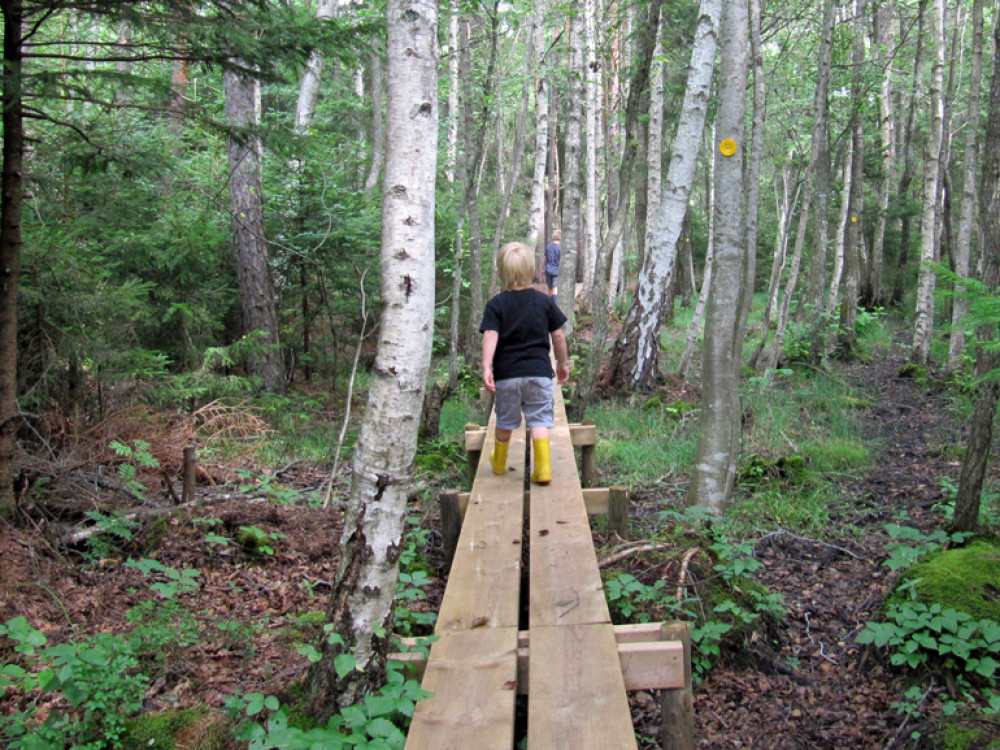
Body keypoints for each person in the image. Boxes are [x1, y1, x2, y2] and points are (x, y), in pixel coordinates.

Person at [481, 242, 570, 484]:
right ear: (533, 271)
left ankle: (498, 463)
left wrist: (487, 366)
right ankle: (543, 468)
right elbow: (558, 335)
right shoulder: (544, 302)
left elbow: (490, 334)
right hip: (539, 374)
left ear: (499, 273)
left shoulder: (496, 304)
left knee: (505, 420)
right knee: (540, 419)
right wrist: (563, 364)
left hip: (507, 376)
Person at [544, 230, 561, 302]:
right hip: (556, 271)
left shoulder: (548, 246)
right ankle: (554, 306)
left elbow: (545, 259)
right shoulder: (560, 248)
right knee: (555, 289)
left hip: (548, 270)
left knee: (550, 289)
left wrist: (542, 268)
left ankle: (549, 305)